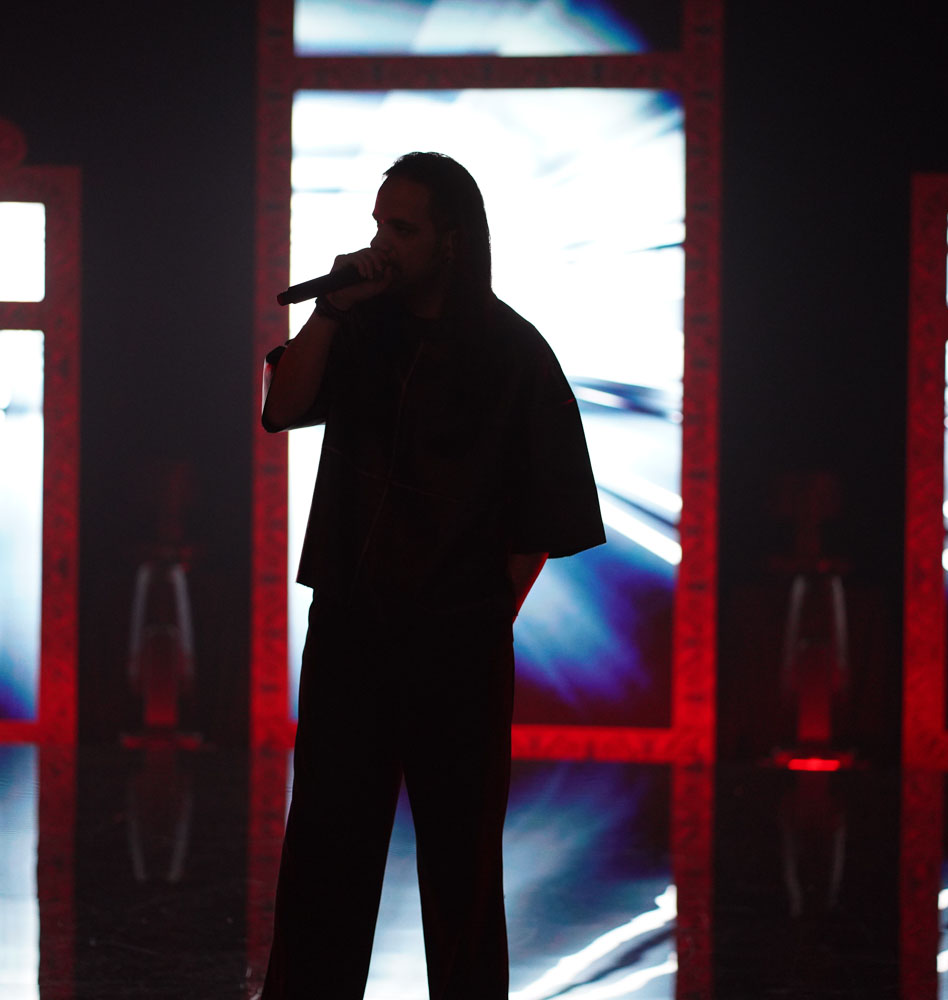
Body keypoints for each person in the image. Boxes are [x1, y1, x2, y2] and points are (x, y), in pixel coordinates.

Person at [259, 151, 604, 999]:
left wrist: (478, 615)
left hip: (457, 644)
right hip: (350, 632)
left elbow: (547, 520)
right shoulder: (361, 329)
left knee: (461, 867)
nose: (382, 242)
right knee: (325, 852)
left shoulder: (514, 353)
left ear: (451, 240)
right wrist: (330, 309)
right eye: (378, 223)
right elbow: (283, 407)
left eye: (402, 229)